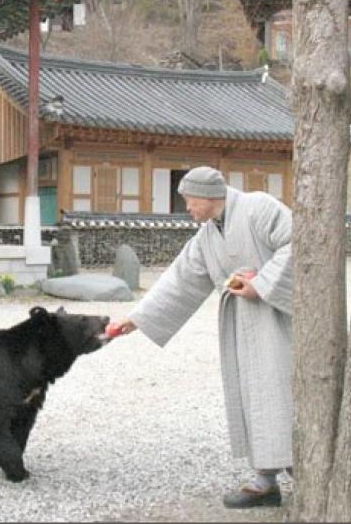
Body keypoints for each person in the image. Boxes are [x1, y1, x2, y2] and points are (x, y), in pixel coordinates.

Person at [112, 166, 293, 509]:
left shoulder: (259, 207)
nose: (187, 208)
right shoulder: (208, 235)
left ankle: (305, 468)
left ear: (209, 196)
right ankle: (265, 480)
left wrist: (264, 282)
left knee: (282, 392)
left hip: (279, 318)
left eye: (189, 200)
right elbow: (180, 278)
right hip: (243, 324)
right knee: (254, 394)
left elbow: (299, 240)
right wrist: (135, 319)